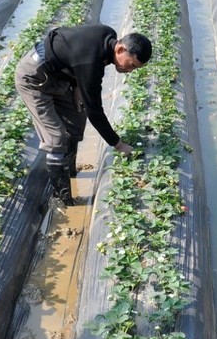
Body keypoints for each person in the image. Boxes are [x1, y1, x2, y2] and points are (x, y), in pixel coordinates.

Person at [15, 24, 151, 205]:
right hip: (34, 77)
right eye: (131, 64)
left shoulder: (107, 35)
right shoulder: (91, 63)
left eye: (135, 68)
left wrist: (78, 84)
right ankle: (62, 199)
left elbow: (73, 50)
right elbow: (95, 111)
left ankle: (70, 173)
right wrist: (118, 144)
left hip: (59, 76)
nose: (129, 70)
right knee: (56, 138)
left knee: (76, 121)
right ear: (120, 48)